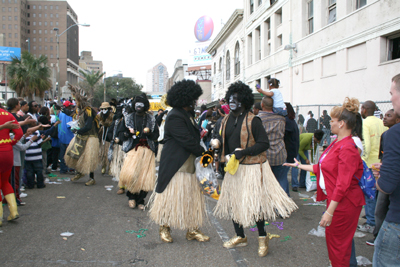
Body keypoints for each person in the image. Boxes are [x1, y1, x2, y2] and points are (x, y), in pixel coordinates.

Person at [213, 81, 297, 257]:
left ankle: (262, 238)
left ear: (243, 101)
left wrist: (243, 152)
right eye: (230, 98)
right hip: (233, 168)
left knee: (256, 206)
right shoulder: (226, 120)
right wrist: (218, 146)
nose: (231, 101)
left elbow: (264, 144)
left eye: (235, 99)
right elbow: (225, 142)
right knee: (233, 202)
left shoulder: (253, 120)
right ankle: (240, 236)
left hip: (252, 167)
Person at [284, 97, 365, 267]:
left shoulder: (348, 148)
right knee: (337, 244)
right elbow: (321, 168)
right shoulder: (337, 143)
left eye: (333, 121)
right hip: (338, 201)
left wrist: (330, 211)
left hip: (345, 203)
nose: (330, 123)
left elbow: (343, 184)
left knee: (339, 247)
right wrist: (299, 166)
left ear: (342, 123)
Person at [149, 79, 209, 243]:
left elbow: (193, 138)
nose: (195, 102)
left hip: (189, 165)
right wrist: (205, 154)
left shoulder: (187, 115)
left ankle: (192, 230)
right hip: (176, 166)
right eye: (193, 99)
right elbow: (187, 140)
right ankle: (164, 227)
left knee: (191, 199)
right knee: (170, 198)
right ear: (186, 99)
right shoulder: (175, 115)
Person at [372, 74, 400, 266]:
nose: (390, 98)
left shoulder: (394, 134)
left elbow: (386, 186)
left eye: (392, 93)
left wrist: (379, 178)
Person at [119, 94, 159, 210]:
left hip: (147, 151)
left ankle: (141, 200)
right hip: (133, 150)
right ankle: (131, 197)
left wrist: (150, 133)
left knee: (145, 177)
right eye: (137, 104)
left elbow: (157, 135)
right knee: (131, 174)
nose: (139, 106)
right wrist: (127, 134)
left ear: (145, 106)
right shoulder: (128, 118)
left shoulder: (151, 119)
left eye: (141, 104)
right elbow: (121, 134)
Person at [367, 109, 400, 246]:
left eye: (389, 116)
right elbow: (384, 157)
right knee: (380, 209)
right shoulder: (386, 135)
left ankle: (381, 237)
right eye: (384, 116)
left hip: (390, 180)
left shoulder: (392, 135)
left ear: (397, 120)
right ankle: (378, 234)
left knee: (381, 207)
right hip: (386, 173)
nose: (384, 118)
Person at [358, 100, 387, 234]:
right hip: (380, 163)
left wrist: (362, 160)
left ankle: (370, 223)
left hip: (369, 163)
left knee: (369, 194)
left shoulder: (365, 123)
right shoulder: (381, 122)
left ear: (364, 109)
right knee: (378, 194)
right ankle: (375, 220)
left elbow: (367, 145)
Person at [65, 84, 100, 186]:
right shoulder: (80, 111)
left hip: (90, 137)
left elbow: (88, 126)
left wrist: (78, 131)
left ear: (81, 101)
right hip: (81, 136)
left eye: (76, 101)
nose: (75, 103)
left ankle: (92, 178)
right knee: (76, 155)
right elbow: (72, 114)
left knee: (89, 159)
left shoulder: (88, 112)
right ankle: (80, 172)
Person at [258, 96, 288, 195]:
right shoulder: (281, 119)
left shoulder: (258, 119)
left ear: (262, 105)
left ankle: (267, 204)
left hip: (265, 155)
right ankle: (284, 204)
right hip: (280, 153)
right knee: (281, 179)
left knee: (264, 182)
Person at [0, 107, 23, 225]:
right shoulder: (8, 115)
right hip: (7, 152)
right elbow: (19, 132)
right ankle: (13, 211)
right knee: (5, 182)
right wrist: (11, 143)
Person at [282, 103, 300, 192]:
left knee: (282, 177)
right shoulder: (291, 121)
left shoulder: (287, 122)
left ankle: (286, 196)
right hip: (292, 151)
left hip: (288, 153)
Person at [96, 102, 114, 175]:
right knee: (103, 153)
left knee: (110, 153)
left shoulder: (112, 116)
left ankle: (110, 168)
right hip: (102, 136)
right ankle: (103, 166)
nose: (104, 110)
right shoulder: (99, 115)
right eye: (102, 109)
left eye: (105, 109)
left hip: (110, 136)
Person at [58, 101, 75, 175]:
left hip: (61, 136)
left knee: (62, 155)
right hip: (69, 137)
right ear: (68, 107)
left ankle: (63, 169)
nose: (71, 107)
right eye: (70, 106)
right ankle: (70, 168)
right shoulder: (68, 114)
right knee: (70, 154)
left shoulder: (60, 114)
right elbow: (70, 125)